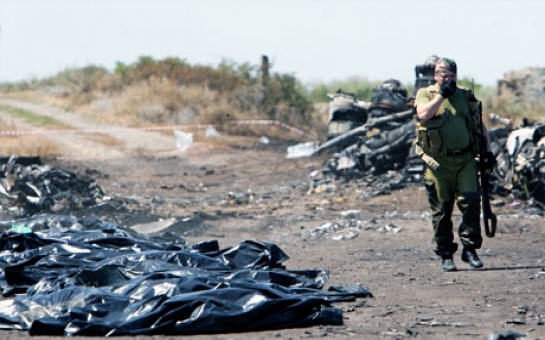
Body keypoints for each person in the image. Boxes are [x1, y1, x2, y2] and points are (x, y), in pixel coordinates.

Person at [414, 57, 495, 272]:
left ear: (456, 75)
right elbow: (423, 114)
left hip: (466, 159)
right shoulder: (426, 94)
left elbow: (479, 124)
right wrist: (442, 95)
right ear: (435, 75)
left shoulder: (466, 95)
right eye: (441, 73)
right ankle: (446, 253)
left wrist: (487, 151)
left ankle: (470, 250)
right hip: (438, 163)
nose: (445, 77)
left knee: (470, 203)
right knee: (442, 209)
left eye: (449, 74)